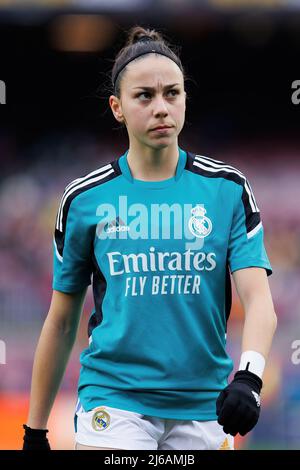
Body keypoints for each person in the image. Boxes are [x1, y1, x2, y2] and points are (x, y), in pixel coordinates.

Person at [22, 25, 277, 451]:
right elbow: (61, 321)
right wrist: (35, 429)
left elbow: (259, 300)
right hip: (113, 402)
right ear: (117, 107)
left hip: (204, 406)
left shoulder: (228, 189)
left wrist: (249, 377)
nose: (162, 107)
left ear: (184, 100)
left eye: (172, 93)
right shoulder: (84, 199)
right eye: (145, 96)